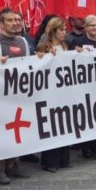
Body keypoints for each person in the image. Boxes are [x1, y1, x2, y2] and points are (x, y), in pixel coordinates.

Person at [0, 8, 31, 185]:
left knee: (17, 132)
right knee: (1, 133)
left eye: (17, 20)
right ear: (1, 24)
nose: (15, 23)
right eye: (10, 20)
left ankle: (14, 164)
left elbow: (30, 65)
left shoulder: (24, 42)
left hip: (18, 95)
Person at [66, 14, 96, 158]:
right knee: (86, 118)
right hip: (84, 85)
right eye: (92, 25)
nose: (95, 28)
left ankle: (95, 146)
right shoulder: (78, 42)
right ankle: (86, 149)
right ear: (85, 27)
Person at [36, 17, 72, 172]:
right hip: (50, 93)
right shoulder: (44, 46)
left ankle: (63, 159)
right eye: (61, 30)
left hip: (64, 92)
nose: (64, 33)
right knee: (52, 126)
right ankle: (50, 161)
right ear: (53, 31)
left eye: (65, 30)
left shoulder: (65, 45)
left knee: (64, 125)